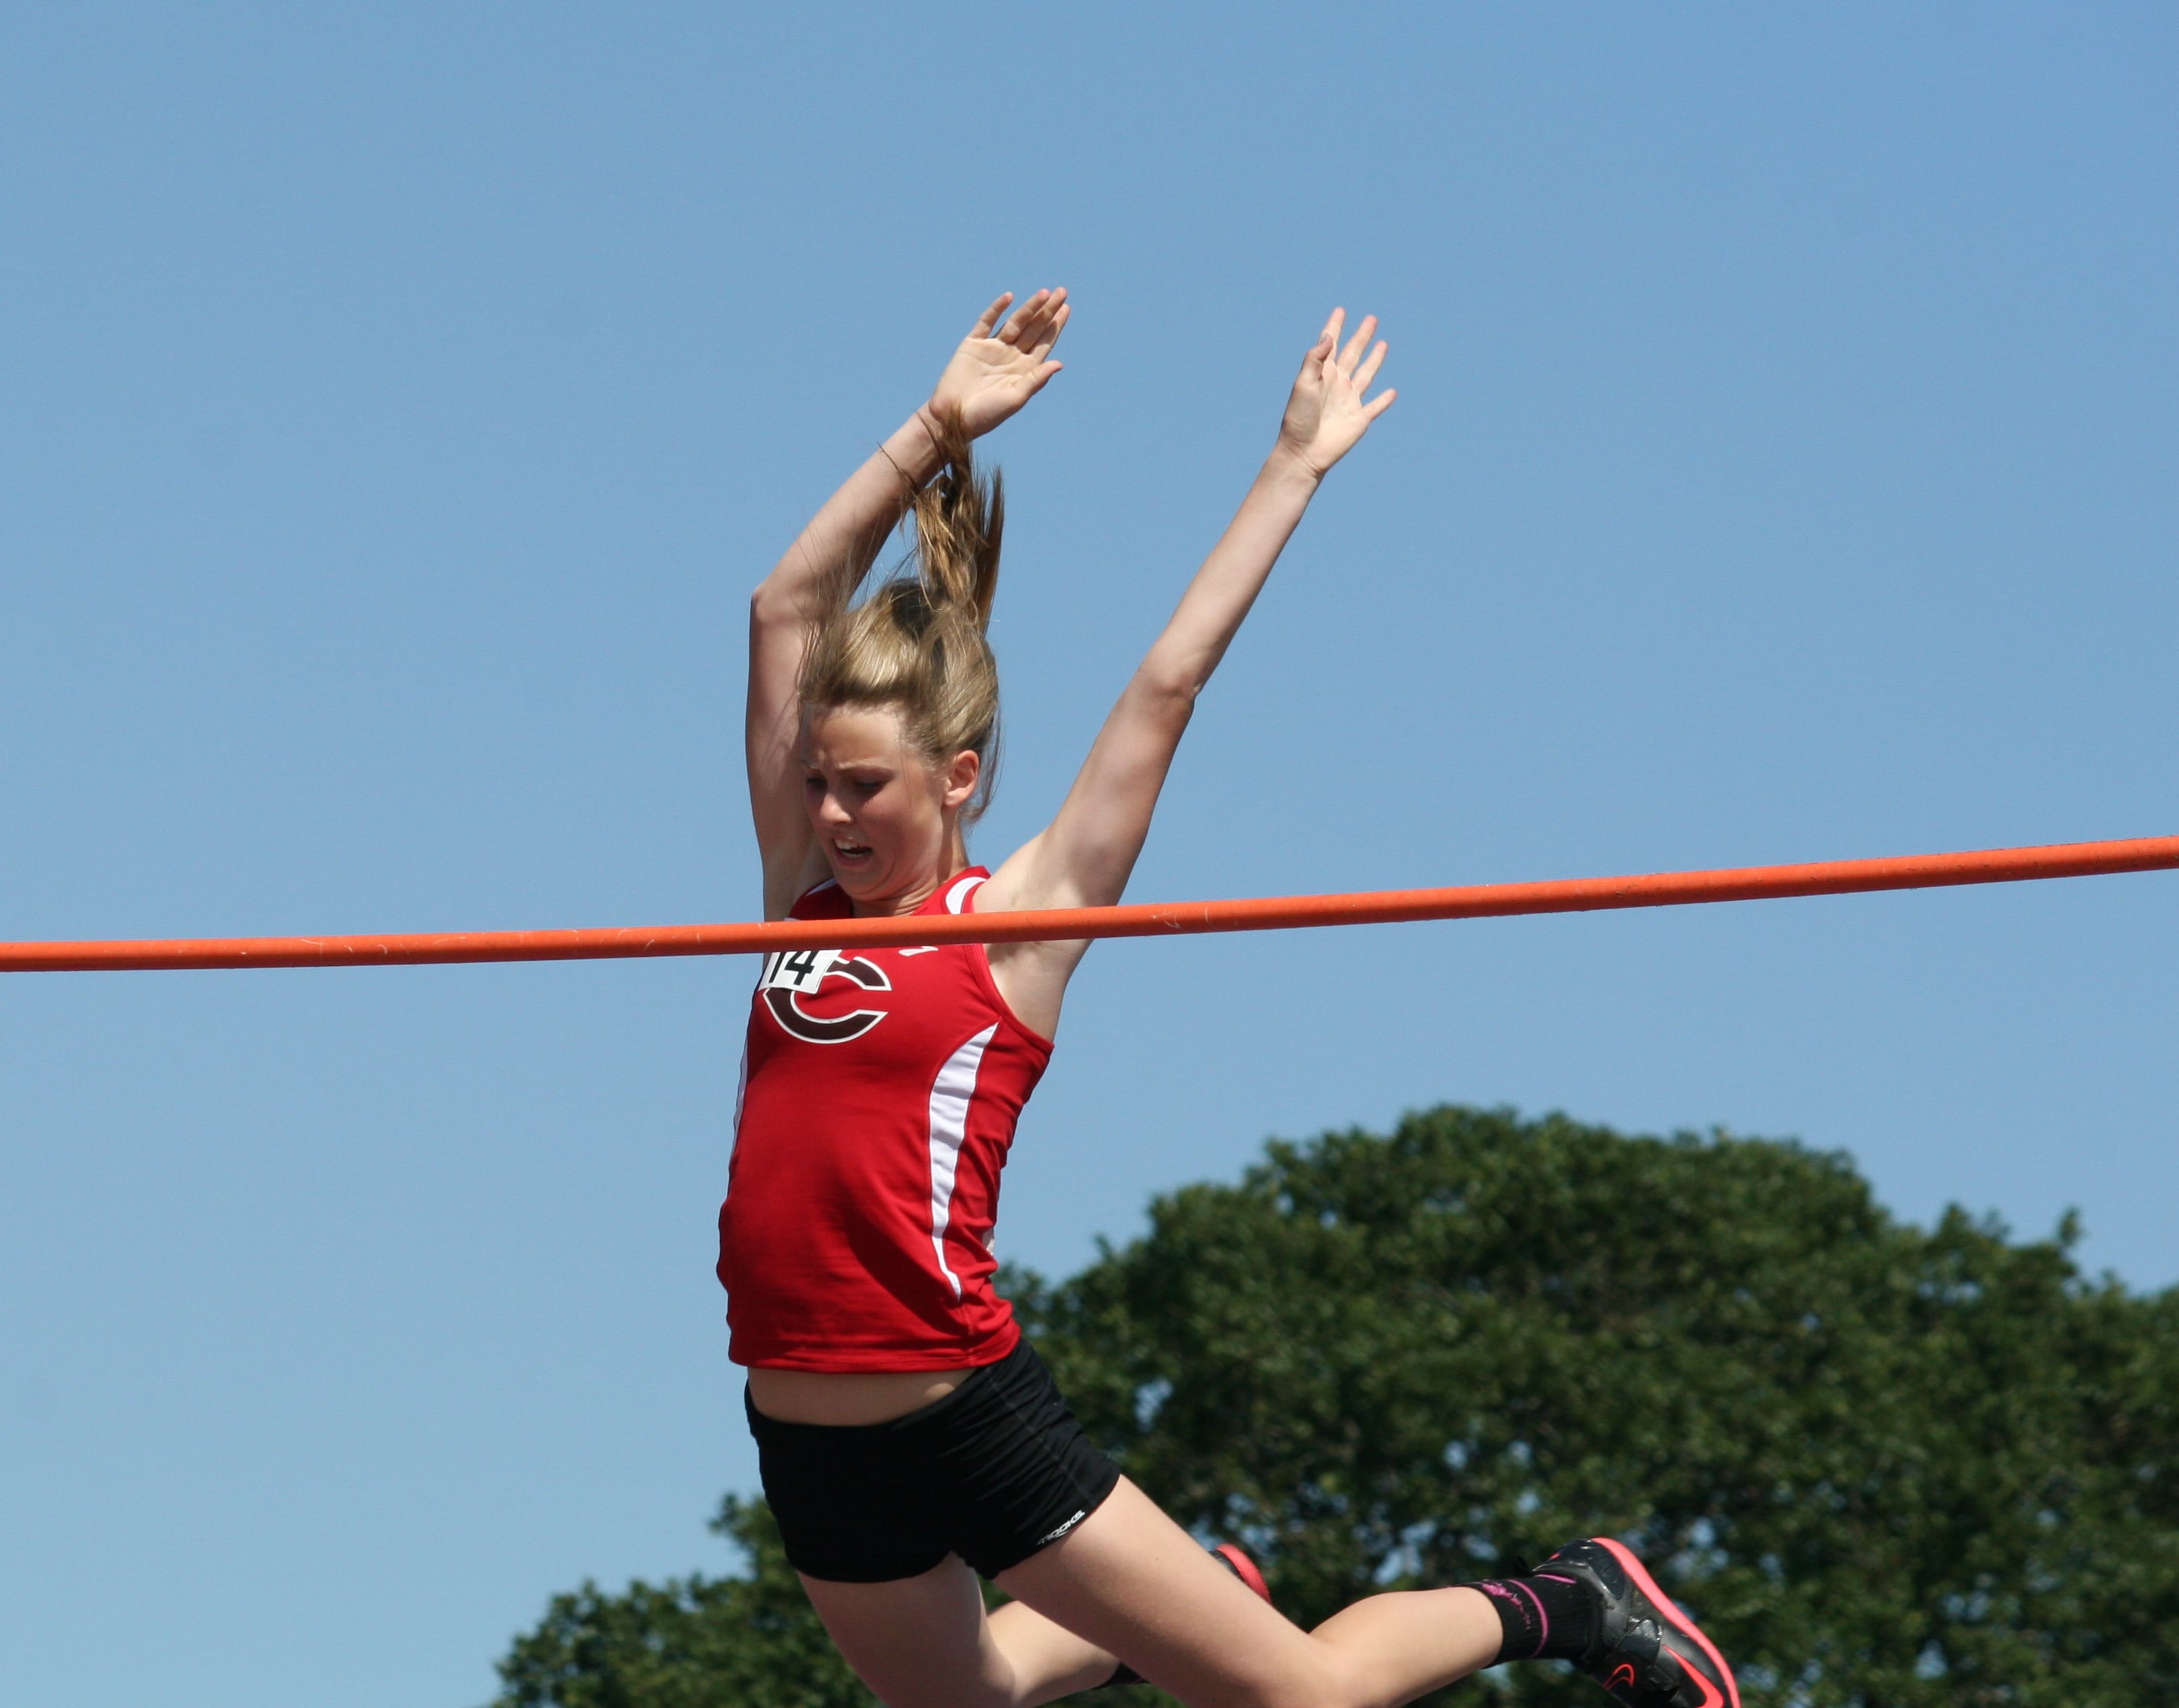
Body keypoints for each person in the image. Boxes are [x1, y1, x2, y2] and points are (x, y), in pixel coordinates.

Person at [722, 289, 1742, 1708]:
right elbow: (784, 603)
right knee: (975, 1702)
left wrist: (1291, 471)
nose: (829, 811)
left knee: (1304, 1701)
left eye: (866, 786)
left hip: (961, 1410)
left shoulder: (1019, 923)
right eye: (818, 780)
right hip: (804, 1429)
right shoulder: (794, 902)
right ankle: (1188, 1596)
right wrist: (936, 426)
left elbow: (1167, 684)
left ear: (957, 781)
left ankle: (1564, 1598)